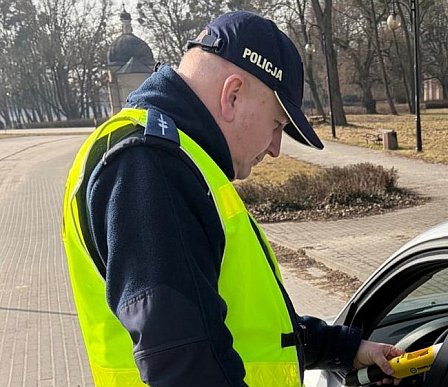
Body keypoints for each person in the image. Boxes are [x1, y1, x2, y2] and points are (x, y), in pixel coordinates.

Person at [62, 11, 402, 386]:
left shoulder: (175, 161)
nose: (275, 148)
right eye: (277, 124)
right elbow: (186, 367)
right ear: (233, 95)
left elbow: (242, 327)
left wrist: (342, 348)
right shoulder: (149, 166)